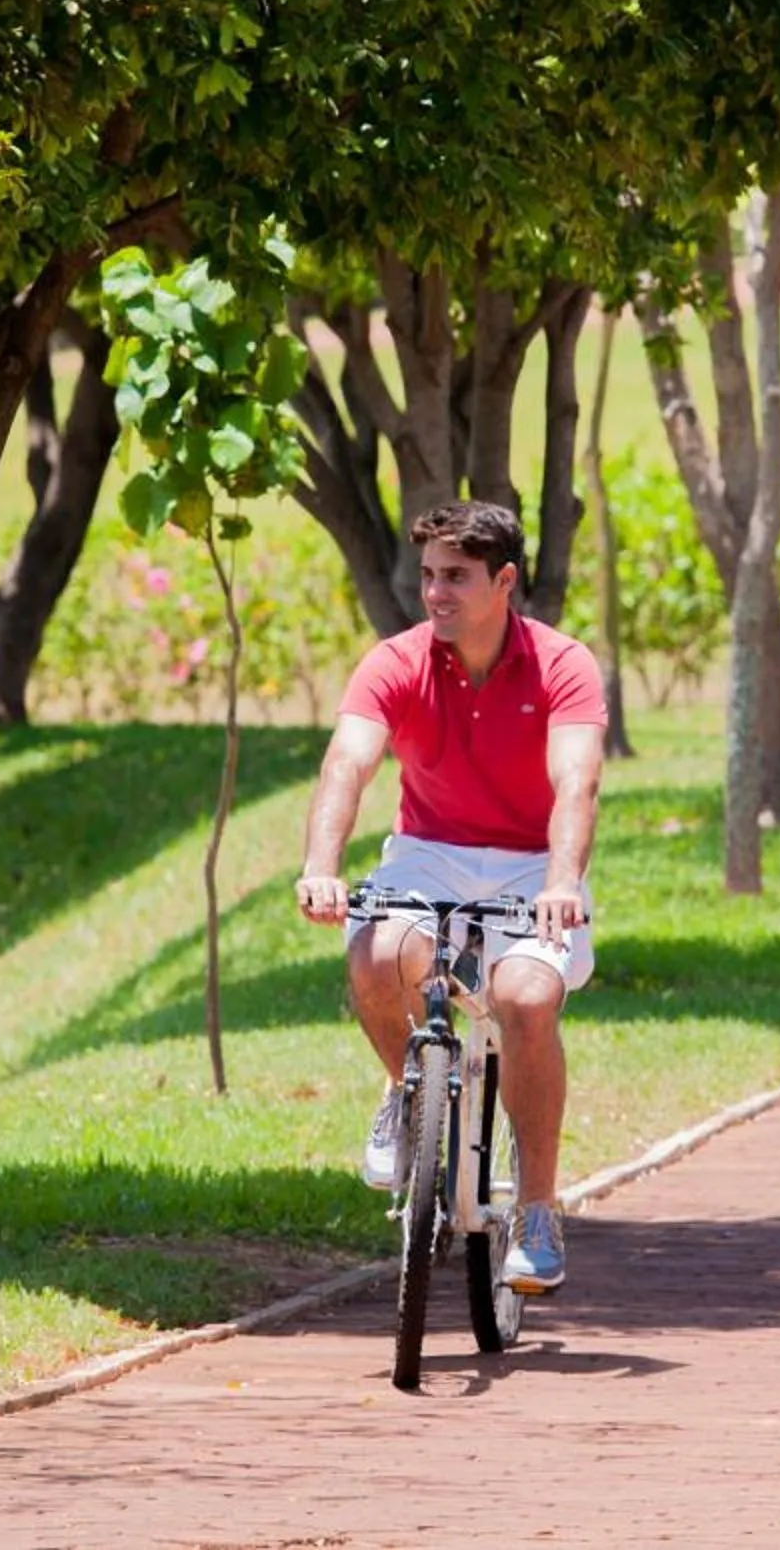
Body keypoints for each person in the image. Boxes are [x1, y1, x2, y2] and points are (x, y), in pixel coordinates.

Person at [295, 499, 605, 1293]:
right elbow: (348, 764)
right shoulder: (395, 660)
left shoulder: (563, 663)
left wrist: (562, 884)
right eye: (428, 575)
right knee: (375, 952)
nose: (435, 593)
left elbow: (578, 780)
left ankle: (536, 1209)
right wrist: (321, 865)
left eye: (456, 578)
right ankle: (407, 1093)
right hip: (428, 855)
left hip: (533, 861)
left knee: (525, 998)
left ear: (504, 581)